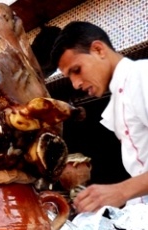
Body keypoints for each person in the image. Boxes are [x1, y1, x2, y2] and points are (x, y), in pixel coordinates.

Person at [50, 21, 148, 213]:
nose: (76, 84)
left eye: (76, 70)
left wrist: (121, 191)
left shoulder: (142, 76)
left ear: (98, 50)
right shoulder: (119, 96)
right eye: (69, 77)